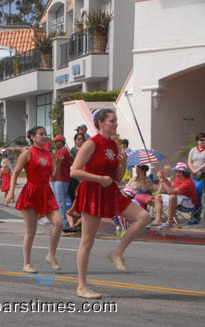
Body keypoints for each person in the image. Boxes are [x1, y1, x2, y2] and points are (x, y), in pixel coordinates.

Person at [70, 108, 150, 299]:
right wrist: (98, 179)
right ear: (101, 123)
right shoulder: (91, 144)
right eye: (112, 121)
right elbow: (74, 171)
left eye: (115, 121)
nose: (115, 124)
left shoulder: (114, 146)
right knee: (87, 241)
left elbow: (117, 177)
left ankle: (117, 252)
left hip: (110, 191)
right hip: (92, 192)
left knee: (144, 217)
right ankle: (82, 286)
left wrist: (122, 163)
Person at [4, 126, 63, 274]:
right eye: (40, 134)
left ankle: (51, 255)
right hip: (31, 191)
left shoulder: (50, 155)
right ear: (32, 137)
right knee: (31, 230)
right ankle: (27, 263)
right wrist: (11, 192)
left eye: (45, 134)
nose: (44, 136)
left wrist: (59, 164)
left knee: (59, 223)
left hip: (46, 192)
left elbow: (54, 177)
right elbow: (15, 173)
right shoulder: (27, 153)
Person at [151, 162, 198, 228]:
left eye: (176, 171)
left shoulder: (188, 182)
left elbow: (170, 191)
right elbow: (170, 186)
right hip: (181, 199)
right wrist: (163, 178)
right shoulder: (178, 179)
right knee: (158, 197)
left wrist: (162, 180)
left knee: (172, 197)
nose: (175, 173)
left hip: (189, 203)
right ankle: (158, 220)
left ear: (181, 173)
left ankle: (169, 222)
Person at [51, 135, 72, 227]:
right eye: (55, 141)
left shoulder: (63, 151)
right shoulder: (60, 151)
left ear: (61, 142)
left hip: (61, 179)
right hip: (57, 178)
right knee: (58, 200)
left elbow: (56, 164)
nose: (55, 143)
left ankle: (63, 221)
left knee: (60, 201)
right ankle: (60, 220)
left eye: (56, 141)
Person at [187, 132, 205, 222]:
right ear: (197, 141)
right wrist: (193, 170)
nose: (204, 141)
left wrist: (198, 170)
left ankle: (198, 214)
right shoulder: (193, 150)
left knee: (200, 194)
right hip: (193, 174)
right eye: (202, 140)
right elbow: (189, 161)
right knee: (194, 193)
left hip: (203, 174)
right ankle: (194, 214)